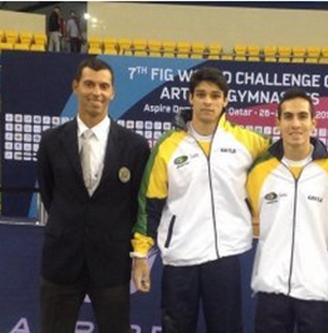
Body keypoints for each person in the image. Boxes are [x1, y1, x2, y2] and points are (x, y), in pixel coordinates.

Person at [130, 67, 270, 332]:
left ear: (225, 101)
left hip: (226, 254)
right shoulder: (168, 145)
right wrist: (140, 254)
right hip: (181, 256)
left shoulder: (249, 142)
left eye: (215, 95)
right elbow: (149, 204)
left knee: (227, 328)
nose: (208, 101)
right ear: (190, 98)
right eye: (202, 94)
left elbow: (292, 152)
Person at [37, 57, 150, 333]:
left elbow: (139, 204)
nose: (96, 92)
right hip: (62, 259)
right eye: (89, 84)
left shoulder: (135, 146)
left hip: (111, 262)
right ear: (76, 86)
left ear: (113, 93)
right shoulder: (51, 141)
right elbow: (49, 193)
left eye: (103, 86)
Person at [246, 88, 328, 332]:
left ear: (313, 122)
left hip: (318, 290)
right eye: (288, 116)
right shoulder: (258, 173)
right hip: (270, 288)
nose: (295, 124)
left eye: (302, 116)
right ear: (278, 123)